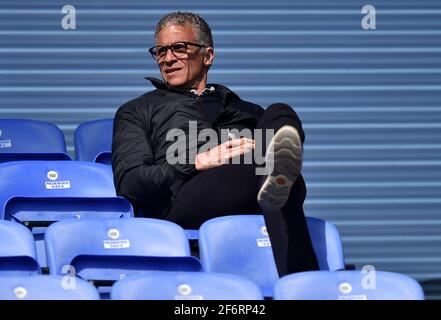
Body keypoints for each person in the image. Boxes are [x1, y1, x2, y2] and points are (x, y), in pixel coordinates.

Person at [112, 11, 319, 276]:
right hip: (185, 198)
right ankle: (303, 280)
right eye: (160, 51)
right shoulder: (138, 110)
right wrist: (197, 162)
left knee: (280, 112)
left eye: (178, 48)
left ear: (207, 56)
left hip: (254, 186)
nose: (168, 58)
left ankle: (278, 175)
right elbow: (131, 182)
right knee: (254, 167)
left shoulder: (246, 109)